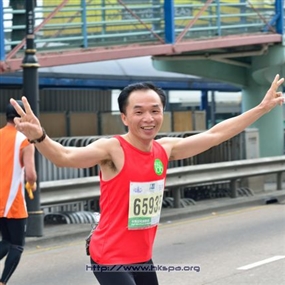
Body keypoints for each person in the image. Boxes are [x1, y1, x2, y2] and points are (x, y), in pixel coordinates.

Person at [10, 74, 284, 285]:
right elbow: (66, 156)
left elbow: (215, 135)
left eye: (155, 110)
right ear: (125, 117)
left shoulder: (164, 149)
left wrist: (261, 108)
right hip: (109, 256)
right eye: (139, 111)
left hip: (141, 257)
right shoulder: (112, 149)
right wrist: (40, 137)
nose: (148, 118)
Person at [0, 100, 37, 285]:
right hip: (12, 201)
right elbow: (30, 173)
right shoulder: (24, 140)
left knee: (6, 240)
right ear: (20, 118)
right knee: (17, 245)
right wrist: (32, 184)